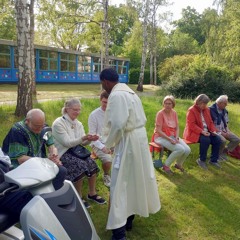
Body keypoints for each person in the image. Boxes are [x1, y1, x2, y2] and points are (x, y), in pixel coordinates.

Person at [100, 68, 161, 240]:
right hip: (138, 139)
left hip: (129, 142)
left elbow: (118, 124)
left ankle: (119, 233)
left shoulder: (117, 95)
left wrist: (108, 144)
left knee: (119, 184)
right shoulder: (131, 93)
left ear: (105, 81)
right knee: (134, 179)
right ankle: (128, 221)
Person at [52, 98, 106, 209]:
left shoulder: (78, 123)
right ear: (67, 109)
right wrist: (84, 138)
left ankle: (92, 193)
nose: (77, 112)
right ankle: (78, 196)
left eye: (79, 110)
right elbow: (67, 143)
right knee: (80, 166)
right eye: (75, 110)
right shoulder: (59, 123)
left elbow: (83, 143)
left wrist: (90, 139)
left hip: (76, 151)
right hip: (63, 153)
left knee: (91, 163)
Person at [2, 108, 66, 190]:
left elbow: (52, 146)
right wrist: (45, 161)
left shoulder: (43, 127)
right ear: (27, 121)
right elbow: (21, 159)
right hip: (20, 168)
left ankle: (51, 196)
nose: (40, 129)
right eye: (37, 126)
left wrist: (54, 156)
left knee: (61, 171)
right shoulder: (18, 131)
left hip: (39, 164)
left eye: (41, 126)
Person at [183, 94, 222, 170]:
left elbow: (210, 122)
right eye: (203, 103)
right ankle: (201, 160)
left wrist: (213, 130)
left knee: (217, 139)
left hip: (206, 132)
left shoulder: (207, 110)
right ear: (198, 102)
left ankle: (213, 160)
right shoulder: (191, 110)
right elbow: (191, 125)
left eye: (206, 104)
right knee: (206, 140)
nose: (205, 105)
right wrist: (202, 131)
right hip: (193, 133)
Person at [154, 95, 191, 174]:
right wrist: (169, 139)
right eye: (166, 103)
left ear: (173, 104)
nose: (167, 105)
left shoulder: (174, 113)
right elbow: (158, 130)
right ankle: (166, 165)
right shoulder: (160, 114)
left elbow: (177, 127)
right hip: (161, 137)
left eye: (169, 103)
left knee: (187, 149)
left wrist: (177, 138)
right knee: (180, 149)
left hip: (173, 136)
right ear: (163, 104)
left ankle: (178, 164)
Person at [88, 90, 112, 187]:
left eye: (109, 102)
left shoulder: (114, 113)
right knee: (108, 160)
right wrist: (103, 147)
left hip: (113, 142)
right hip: (98, 143)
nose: (106, 104)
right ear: (100, 100)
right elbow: (92, 136)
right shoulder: (94, 115)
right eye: (104, 102)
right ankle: (106, 174)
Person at [209, 95, 240, 161]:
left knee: (236, 139)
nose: (226, 105)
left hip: (223, 130)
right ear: (220, 103)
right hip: (214, 131)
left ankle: (224, 152)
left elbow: (226, 122)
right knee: (223, 140)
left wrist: (227, 130)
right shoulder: (210, 110)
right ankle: (218, 155)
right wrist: (222, 133)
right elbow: (210, 125)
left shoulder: (224, 111)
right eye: (225, 104)